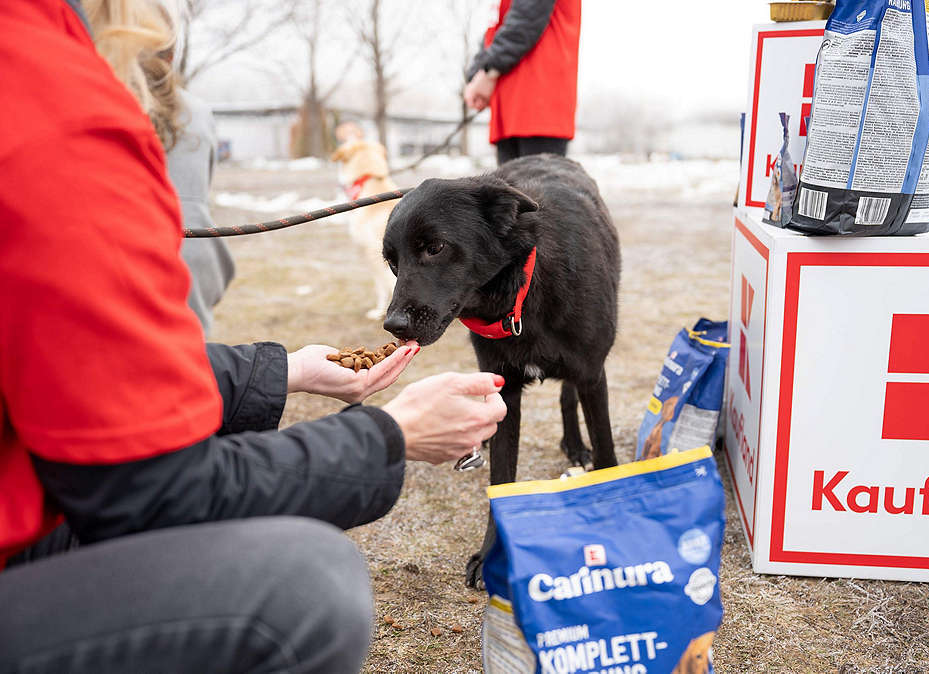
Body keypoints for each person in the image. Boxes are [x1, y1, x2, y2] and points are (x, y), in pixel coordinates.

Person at [0, 1, 507, 672]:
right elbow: (154, 495)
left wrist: (283, 372)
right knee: (305, 586)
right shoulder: (59, 116)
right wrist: (393, 436)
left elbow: (80, 374)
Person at [88, 0, 234, 336]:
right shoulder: (194, 113)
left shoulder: (92, 105)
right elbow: (194, 210)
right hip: (189, 283)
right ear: (169, 56)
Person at [463, 0, 581, 166]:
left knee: (536, 190)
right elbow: (495, 29)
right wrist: (476, 75)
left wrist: (488, 71)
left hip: (539, 105)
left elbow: (524, 20)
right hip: (508, 108)